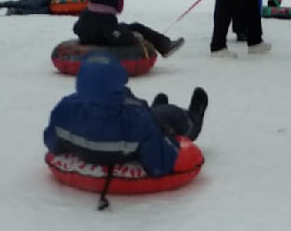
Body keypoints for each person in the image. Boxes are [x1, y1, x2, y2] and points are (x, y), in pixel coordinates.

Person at [43, 55, 208, 179]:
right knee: (169, 115)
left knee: (148, 111)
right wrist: (169, 140)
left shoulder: (65, 109)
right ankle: (193, 119)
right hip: (135, 127)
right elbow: (159, 163)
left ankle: (156, 108)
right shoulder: (136, 119)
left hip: (117, 118)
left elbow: (52, 142)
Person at [74, 0, 185, 58]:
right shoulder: (106, 18)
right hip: (103, 42)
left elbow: (77, 28)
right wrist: (132, 37)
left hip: (99, 36)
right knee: (136, 28)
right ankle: (164, 45)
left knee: (133, 25)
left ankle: (164, 44)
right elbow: (116, 38)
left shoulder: (88, 12)